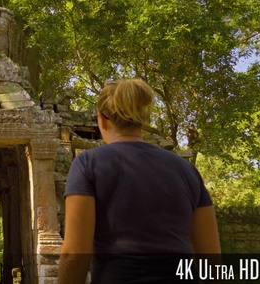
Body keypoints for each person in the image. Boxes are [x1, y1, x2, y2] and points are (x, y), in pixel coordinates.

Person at [58, 79, 220, 283]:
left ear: (102, 118)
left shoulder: (87, 164)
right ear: (144, 118)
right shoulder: (187, 171)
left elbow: (75, 254)